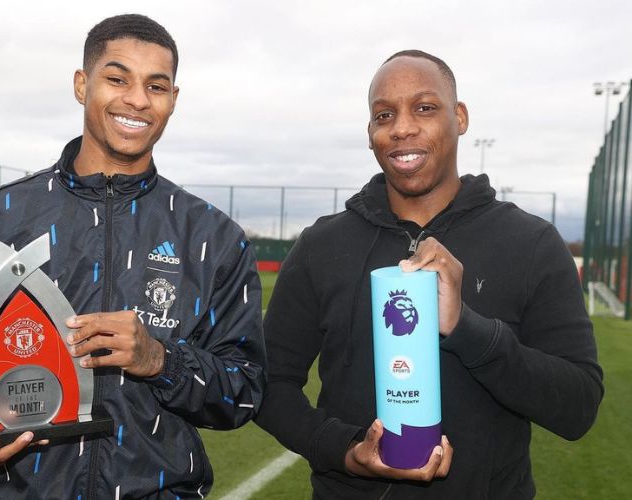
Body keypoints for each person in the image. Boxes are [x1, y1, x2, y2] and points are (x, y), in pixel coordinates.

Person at [0, 14, 266, 499]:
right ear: (83, 85)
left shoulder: (215, 236)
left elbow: (244, 390)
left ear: (173, 100)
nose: (138, 100)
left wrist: (160, 360)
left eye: (156, 86)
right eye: (117, 78)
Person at [254, 49, 603, 499]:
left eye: (424, 108)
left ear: (459, 117)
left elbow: (578, 408)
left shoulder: (531, 243)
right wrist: (345, 451)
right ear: (370, 133)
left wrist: (466, 327)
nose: (401, 127)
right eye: (384, 115)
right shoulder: (321, 246)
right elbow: (266, 384)